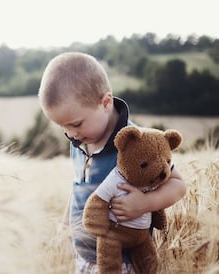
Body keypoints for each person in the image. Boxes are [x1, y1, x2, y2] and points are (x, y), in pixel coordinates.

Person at [38, 52, 187, 274]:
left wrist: (146, 204)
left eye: (76, 124)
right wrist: (65, 227)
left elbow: (178, 184)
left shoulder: (137, 142)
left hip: (124, 261)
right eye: (63, 128)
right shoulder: (79, 140)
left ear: (106, 102)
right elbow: (78, 185)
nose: (71, 134)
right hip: (85, 257)